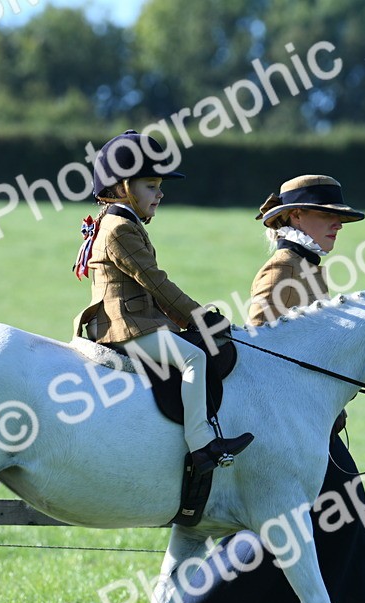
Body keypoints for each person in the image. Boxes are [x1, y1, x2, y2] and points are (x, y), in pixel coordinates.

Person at [153, 175, 365, 603]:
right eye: (324, 214)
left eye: (340, 216)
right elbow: (266, 348)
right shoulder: (283, 269)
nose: (337, 223)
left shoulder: (307, 267)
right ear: (291, 218)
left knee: (339, 539)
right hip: (289, 437)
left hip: (311, 433)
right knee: (302, 543)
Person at [73, 130, 253, 473]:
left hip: (135, 321)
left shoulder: (121, 222)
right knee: (194, 358)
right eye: (151, 186)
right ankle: (201, 444)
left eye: (159, 186)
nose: (160, 193)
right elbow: (156, 282)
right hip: (124, 327)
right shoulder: (119, 229)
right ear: (124, 187)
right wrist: (198, 318)